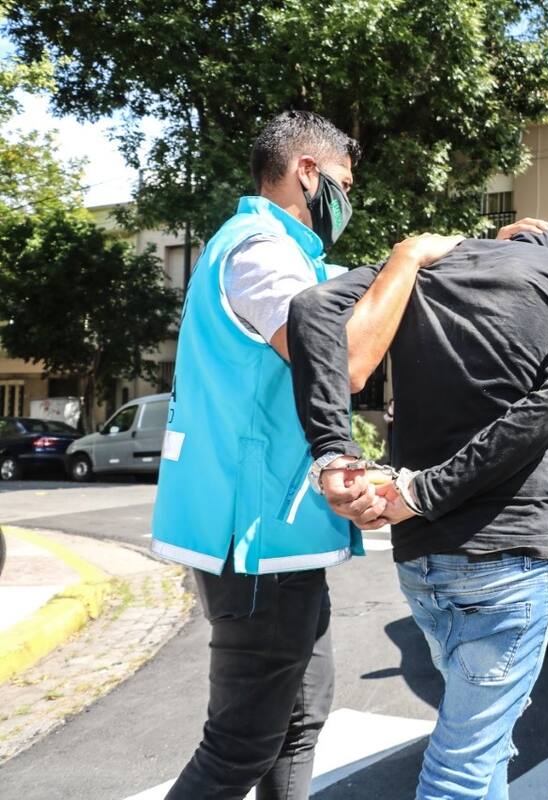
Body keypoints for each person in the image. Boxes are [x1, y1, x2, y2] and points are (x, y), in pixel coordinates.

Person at [150, 110, 460, 799]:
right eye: (345, 183)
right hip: (255, 542)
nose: (348, 200)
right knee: (240, 745)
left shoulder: (292, 258)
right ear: (308, 173)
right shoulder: (260, 252)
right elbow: (343, 361)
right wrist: (406, 258)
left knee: (299, 720)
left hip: (281, 540)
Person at [285, 220, 548, 800]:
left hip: (423, 561)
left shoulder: (426, 265)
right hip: (509, 551)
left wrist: (335, 448)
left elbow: (311, 308)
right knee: (461, 766)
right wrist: (423, 492)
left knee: (486, 743)